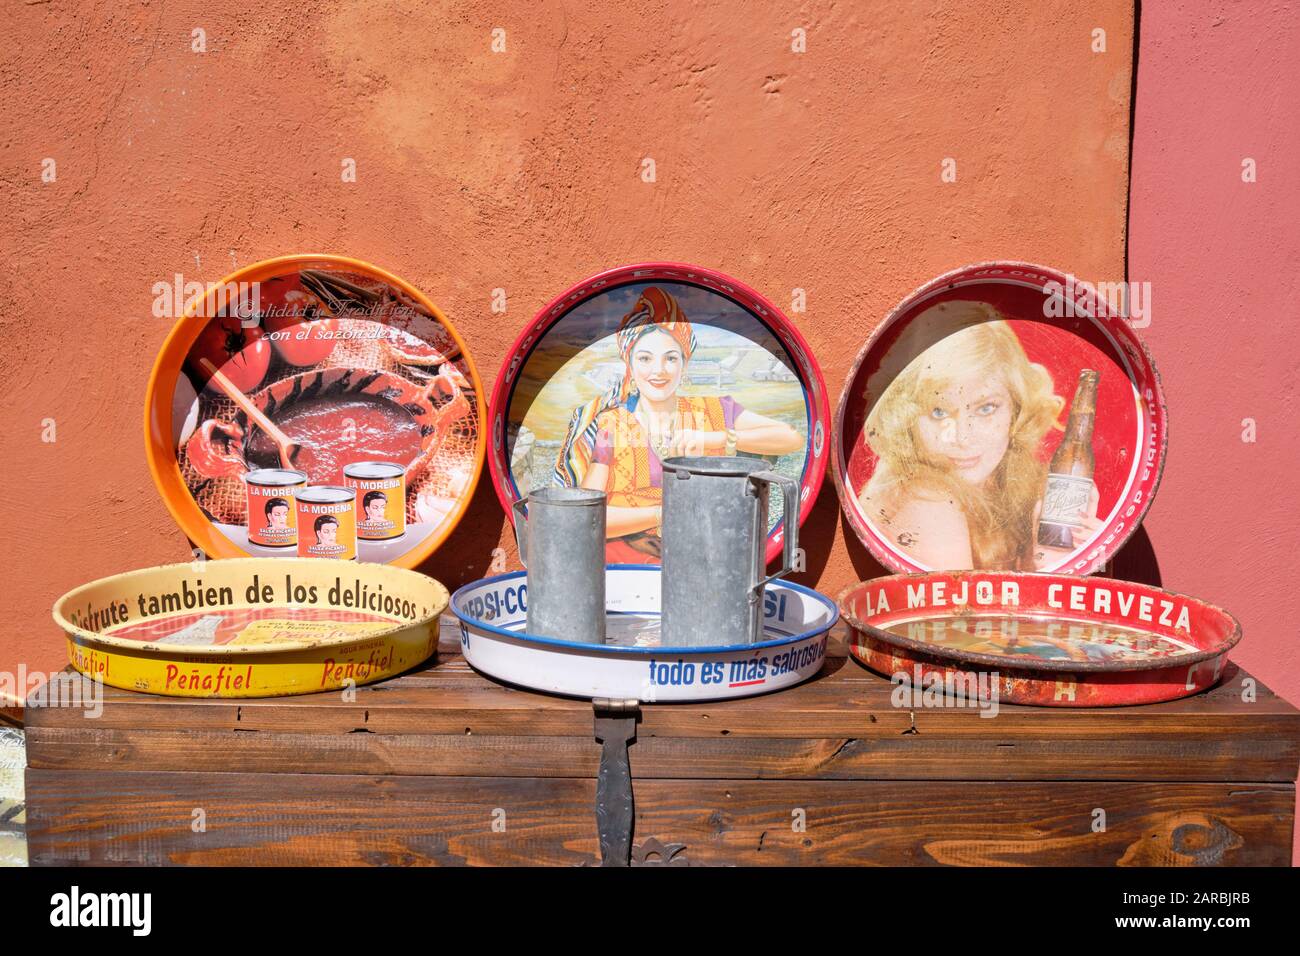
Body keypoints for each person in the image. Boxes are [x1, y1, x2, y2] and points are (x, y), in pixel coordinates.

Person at [554, 286, 802, 560]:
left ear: (684, 364)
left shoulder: (712, 410)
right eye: (645, 358)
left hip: (706, 553)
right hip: (625, 562)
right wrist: (664, 513)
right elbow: (589, 512)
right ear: (631, 367)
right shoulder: (611, 424)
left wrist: (718, 439)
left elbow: (790, 437)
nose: (658, 371)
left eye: (670, 358)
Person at [857, 301, 1101, 570]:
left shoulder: (1014, 484)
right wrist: (1050, 569)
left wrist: (1052, 553)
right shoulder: (929, 501)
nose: (963, 437)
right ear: (906, 416)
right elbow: (961, 611)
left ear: (1016, 408)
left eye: (986, 408)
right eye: (939, 411)